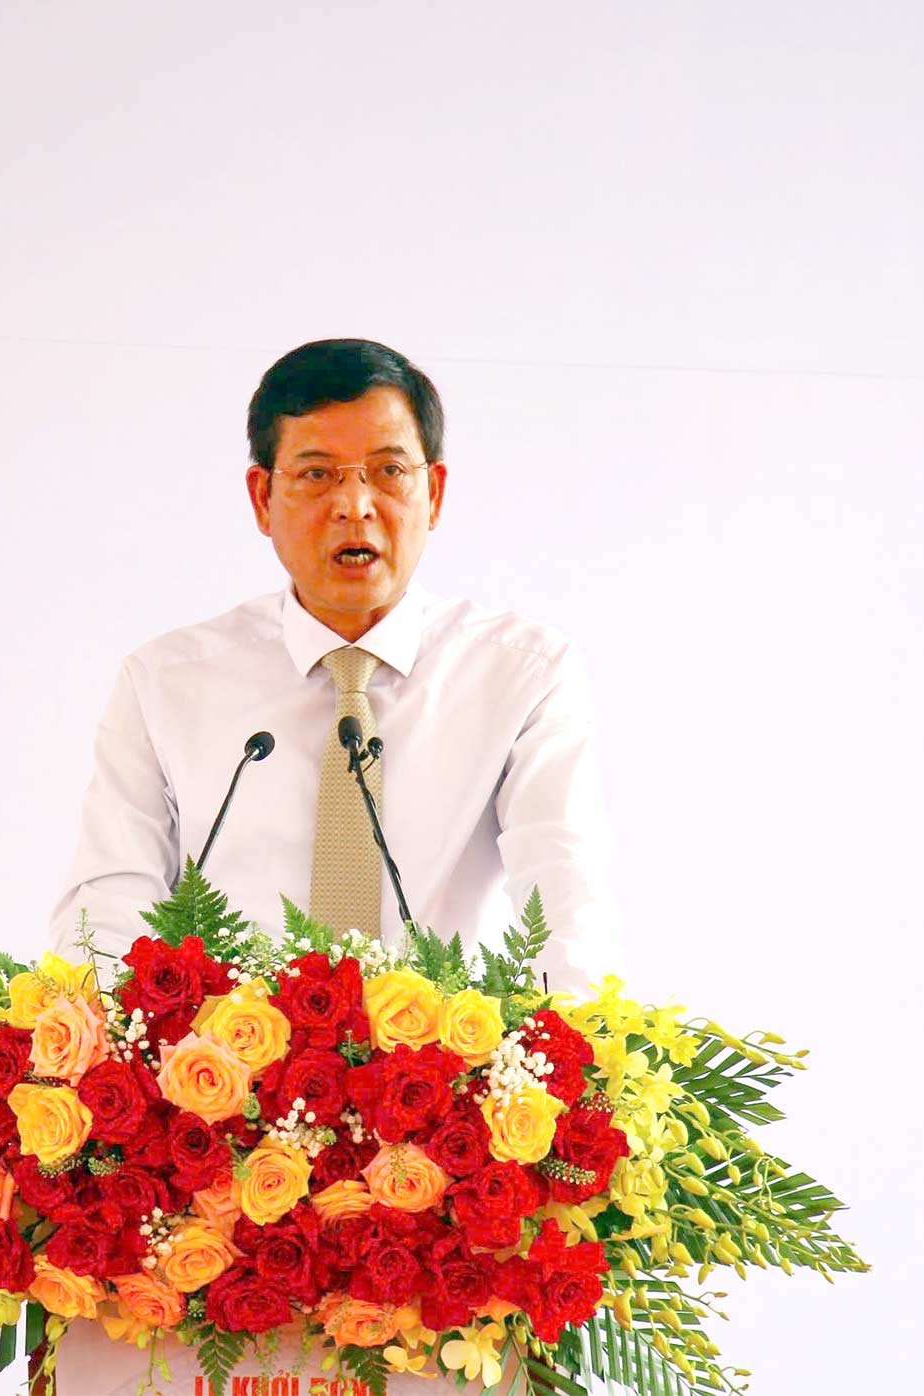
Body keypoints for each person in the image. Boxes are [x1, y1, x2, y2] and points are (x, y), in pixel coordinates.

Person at [47, 338, 621, 990]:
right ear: (262, 498)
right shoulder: (165, 683)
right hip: (219, 1076)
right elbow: (108, 906)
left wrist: (574, 1063)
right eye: (318, 474)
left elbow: (566, 897)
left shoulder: (522, 675)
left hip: (455, 1077)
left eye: (388, 471)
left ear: (433, 493)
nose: (355, 506)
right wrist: (107, 1051)